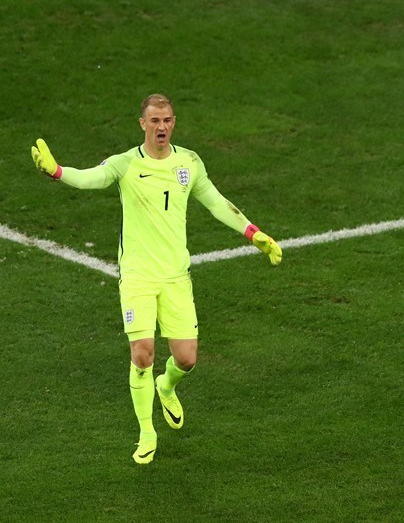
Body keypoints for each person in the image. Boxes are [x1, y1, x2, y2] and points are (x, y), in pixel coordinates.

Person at [30, 94, 282, 464]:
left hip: (175, 276)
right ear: (142, 124)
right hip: (138, 277)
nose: (161, 127)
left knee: (187, 359)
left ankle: (166, 386)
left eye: (167, 120)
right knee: (142, 353)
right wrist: (57, 171)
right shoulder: (126, 164)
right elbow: (91, 178)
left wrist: (253, 233)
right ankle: (146, 432)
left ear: (173, 123)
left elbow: (216, 202)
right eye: (154, 121)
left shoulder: (189, 163)